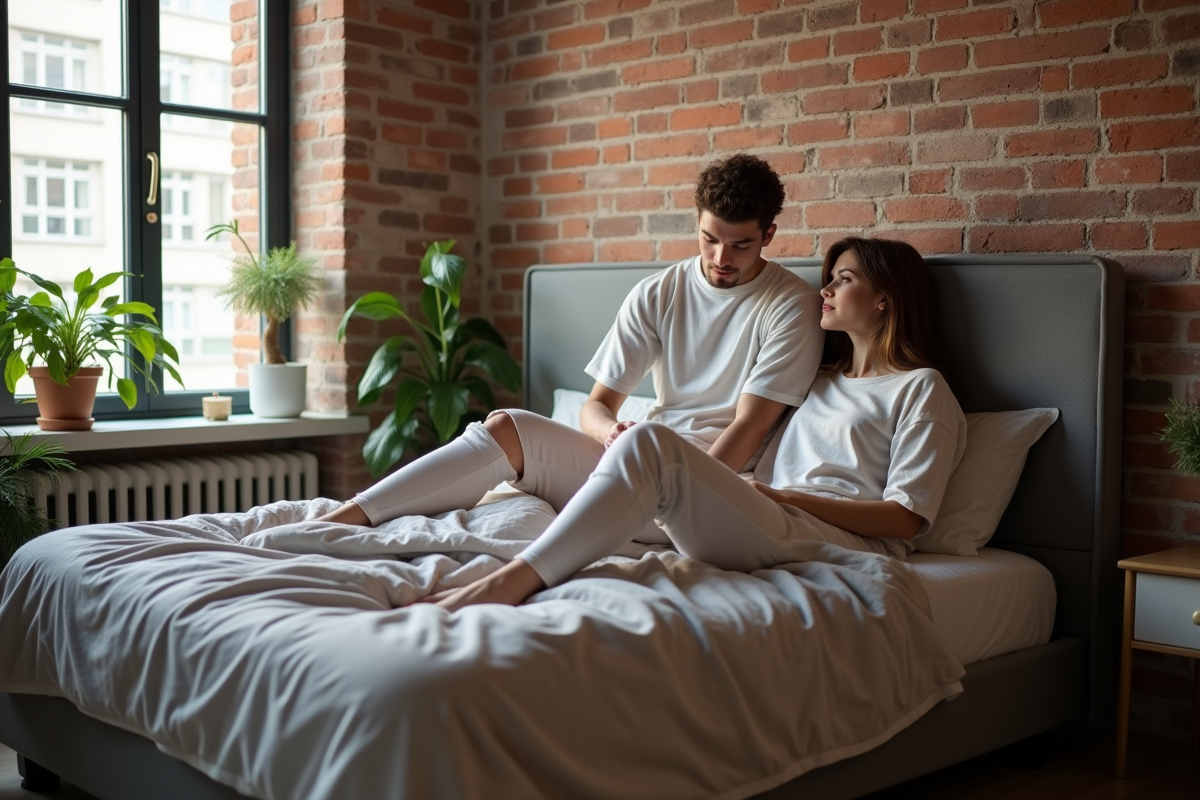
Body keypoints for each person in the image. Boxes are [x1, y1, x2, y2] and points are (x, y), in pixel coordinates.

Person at [429, 237, 968, 611]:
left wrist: (787, 499)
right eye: (829, 279)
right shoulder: (820, 381)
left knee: (650, 445)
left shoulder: (921, 389)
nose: (823, 289)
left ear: (884, 299)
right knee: (623, 440)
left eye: (843, 280)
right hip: (770, 514)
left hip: (836, 538)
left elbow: (906, 520)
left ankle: (513, 580)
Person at [318, 154, 822, 530]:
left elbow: (750, 426)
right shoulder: (659, 292)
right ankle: (340, 521)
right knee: (506, 427)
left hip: (706, 491)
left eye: (740, 245)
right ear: (697, 223)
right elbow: (598, 404)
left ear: (769, 234)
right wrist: (610, 435)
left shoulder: (790, 305)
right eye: (710, 239)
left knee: (634, 467)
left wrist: (687, 492)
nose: (721, 258)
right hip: (637, 461)